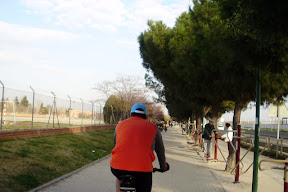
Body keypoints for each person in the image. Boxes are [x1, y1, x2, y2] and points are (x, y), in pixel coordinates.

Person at [110, 103, 169, 192]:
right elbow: (160, 150)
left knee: (120, 178)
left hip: (118, 167)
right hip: (143, 169)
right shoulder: (153, 127)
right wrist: (163, 166)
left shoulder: (120, 125)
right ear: (145, 116)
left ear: (131, 114)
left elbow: (116, 145)